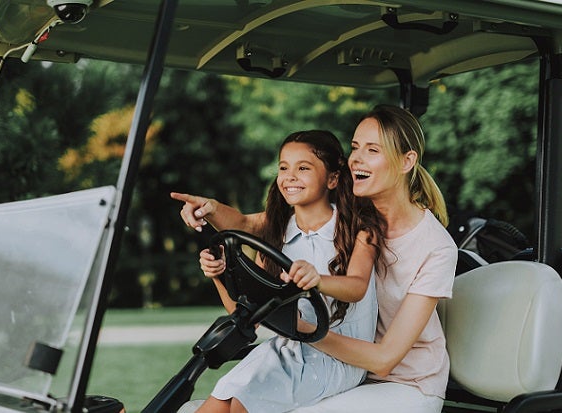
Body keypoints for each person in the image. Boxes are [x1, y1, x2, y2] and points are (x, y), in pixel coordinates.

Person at [172, 105, 457, 413]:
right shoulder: (348, 216)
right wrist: (210, 209)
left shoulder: (435, 247)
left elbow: (385, 359)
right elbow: (245, 225)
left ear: (407, 161)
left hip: (405, 382)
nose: (356, 159)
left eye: (372, 150)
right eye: (354, 148)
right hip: (336, 363)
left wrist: (298, 328)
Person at [178, 130, 381, 413]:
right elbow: (249, 313)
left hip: (338, 357)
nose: (290, 176)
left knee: (241, 404)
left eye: (303, 168)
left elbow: (357, 286)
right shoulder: (277, 232)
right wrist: (219, 275)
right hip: (288, 349)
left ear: (332, 179)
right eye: (284, 168)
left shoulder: (357, 230)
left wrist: (317, 280)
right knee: (218, 402)